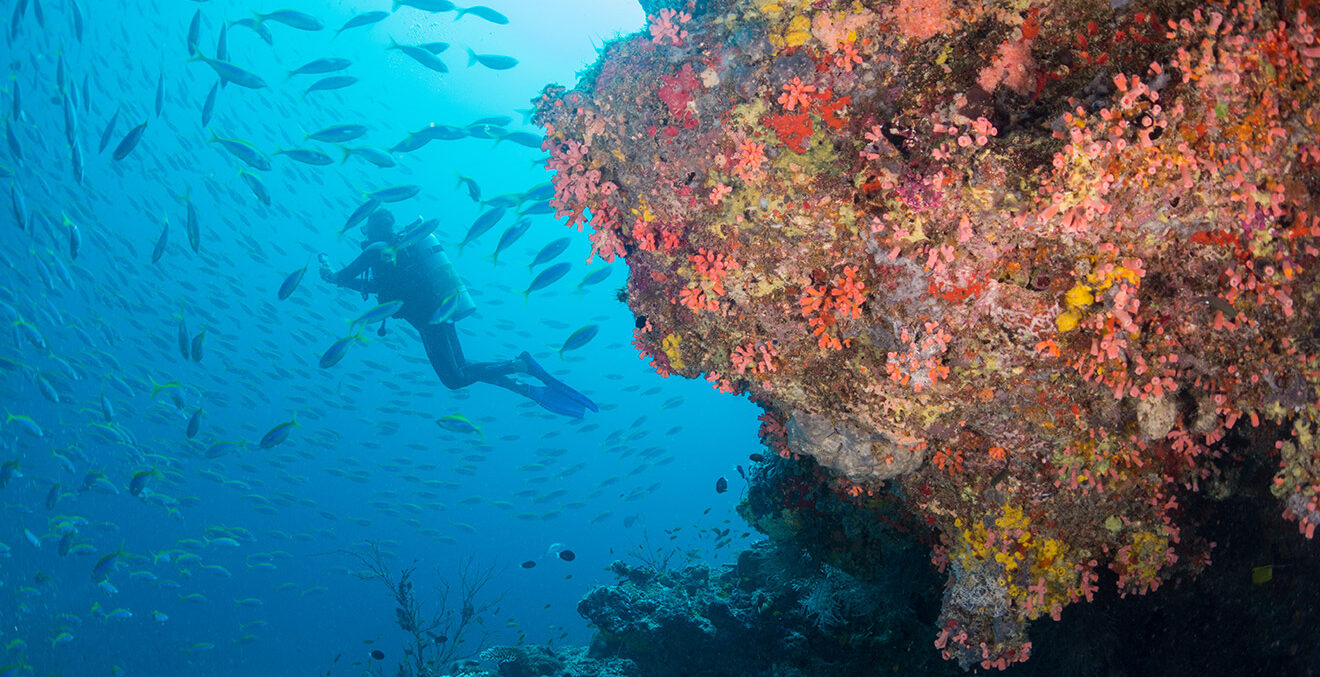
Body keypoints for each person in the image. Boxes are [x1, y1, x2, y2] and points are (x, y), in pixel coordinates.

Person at [319, 209, 598, 419]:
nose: (364, 235)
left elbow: (344, 277)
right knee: (461, 366)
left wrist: (330, 273)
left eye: (366, 229)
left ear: (371, 229)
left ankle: (520, 366)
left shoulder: (376, 250)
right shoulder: (394, 252)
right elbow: (375, 287)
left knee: (454, 379)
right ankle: (521, 385)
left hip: (430, 318)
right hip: (439, 310)